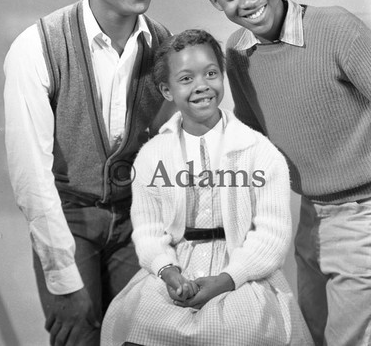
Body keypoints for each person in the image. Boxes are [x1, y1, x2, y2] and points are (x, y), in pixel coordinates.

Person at [3, 0, 172, 346]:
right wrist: (63, 281)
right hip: (68, 217)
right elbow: (31, 179)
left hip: (137, 220)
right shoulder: (36, 46)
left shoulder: (165, 45)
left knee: (147, 335)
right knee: (78, 334)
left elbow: (174, 149)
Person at [201, 0, 371, 346]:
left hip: (362, 214)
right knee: (309, 330)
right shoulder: (237, 53)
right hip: (311, 214)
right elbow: (253, 136)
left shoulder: (337, 29)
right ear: (215, 3)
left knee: (347, 339)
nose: (247, 0)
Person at [101, 29, 313, 346]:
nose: (202, 86)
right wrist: (167, 271)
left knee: (242, 327)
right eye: (186, 79)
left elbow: (272, 235)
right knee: (135, 322)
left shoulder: (260, 152)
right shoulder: (152, 156)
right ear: (167, 90)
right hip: (174, 271)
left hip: (241, 273)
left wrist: (228, 279)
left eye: (211, 73)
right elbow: (148, 231)